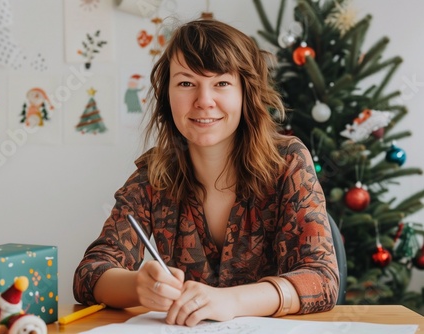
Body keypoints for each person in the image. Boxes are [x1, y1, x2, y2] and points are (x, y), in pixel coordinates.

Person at [73, 19, 339, 327]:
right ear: (167, 95)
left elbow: (321, 279)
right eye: (186, 83)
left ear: (245, 93)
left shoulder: (288, 162)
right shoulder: (153, 176)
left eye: (222, 83)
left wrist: (232, 300)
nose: (203, 101)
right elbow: (89, 273)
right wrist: (139, 286)